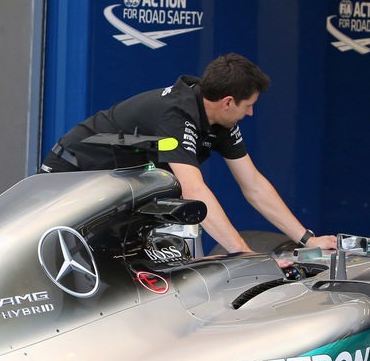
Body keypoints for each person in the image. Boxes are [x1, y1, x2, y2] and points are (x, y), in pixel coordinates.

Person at [41, 53, 337, 255]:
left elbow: (254, 185)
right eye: (248, 105)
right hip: (70, 177)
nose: (250, 113)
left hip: (115, 187)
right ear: (227, 101)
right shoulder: (177, 115)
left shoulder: (221, 119)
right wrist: (242, 253)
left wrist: (307, 240)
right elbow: (193, 190)